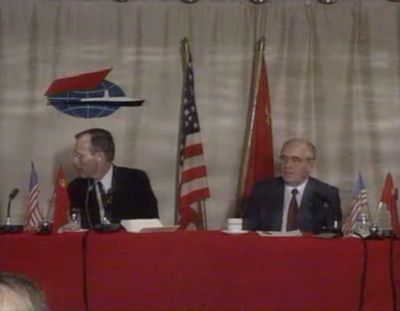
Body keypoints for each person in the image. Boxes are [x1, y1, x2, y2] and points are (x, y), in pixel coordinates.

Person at [243, 138, 342, 234]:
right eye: (284, 158)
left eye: (295, 160)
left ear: (310, 165)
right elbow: (249, 230)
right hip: (271, 248)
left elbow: (332, 234)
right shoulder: (262, 190)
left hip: (308, 249)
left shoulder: (327, 194)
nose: (287, 165)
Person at [68, 128, 159, 229]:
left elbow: (150, 222)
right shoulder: (76, 188)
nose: (75, 161)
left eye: (80, 156)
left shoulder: (135, 180)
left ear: (99, 156)